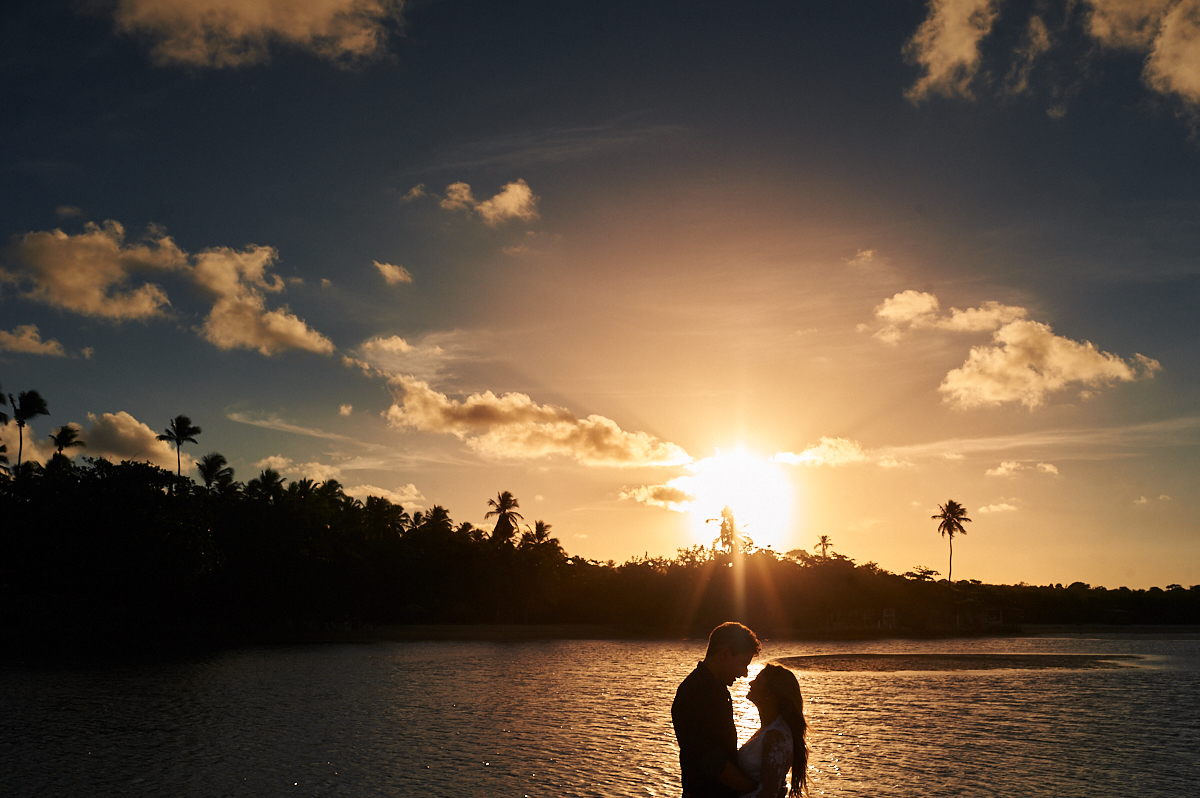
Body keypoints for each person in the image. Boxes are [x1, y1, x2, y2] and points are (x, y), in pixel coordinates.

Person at [672, 622, 762, 797]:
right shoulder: (697, 692)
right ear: (725, 654)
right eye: (743, 663)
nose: (745, 673)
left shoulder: (715, 690)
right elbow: (713, 761)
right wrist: (757, 789)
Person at [736, 664, 808, 798]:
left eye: (759, 681)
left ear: (770, 694)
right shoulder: (767, 730)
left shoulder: (776, 735)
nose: (751, 682)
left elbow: (767, 794)